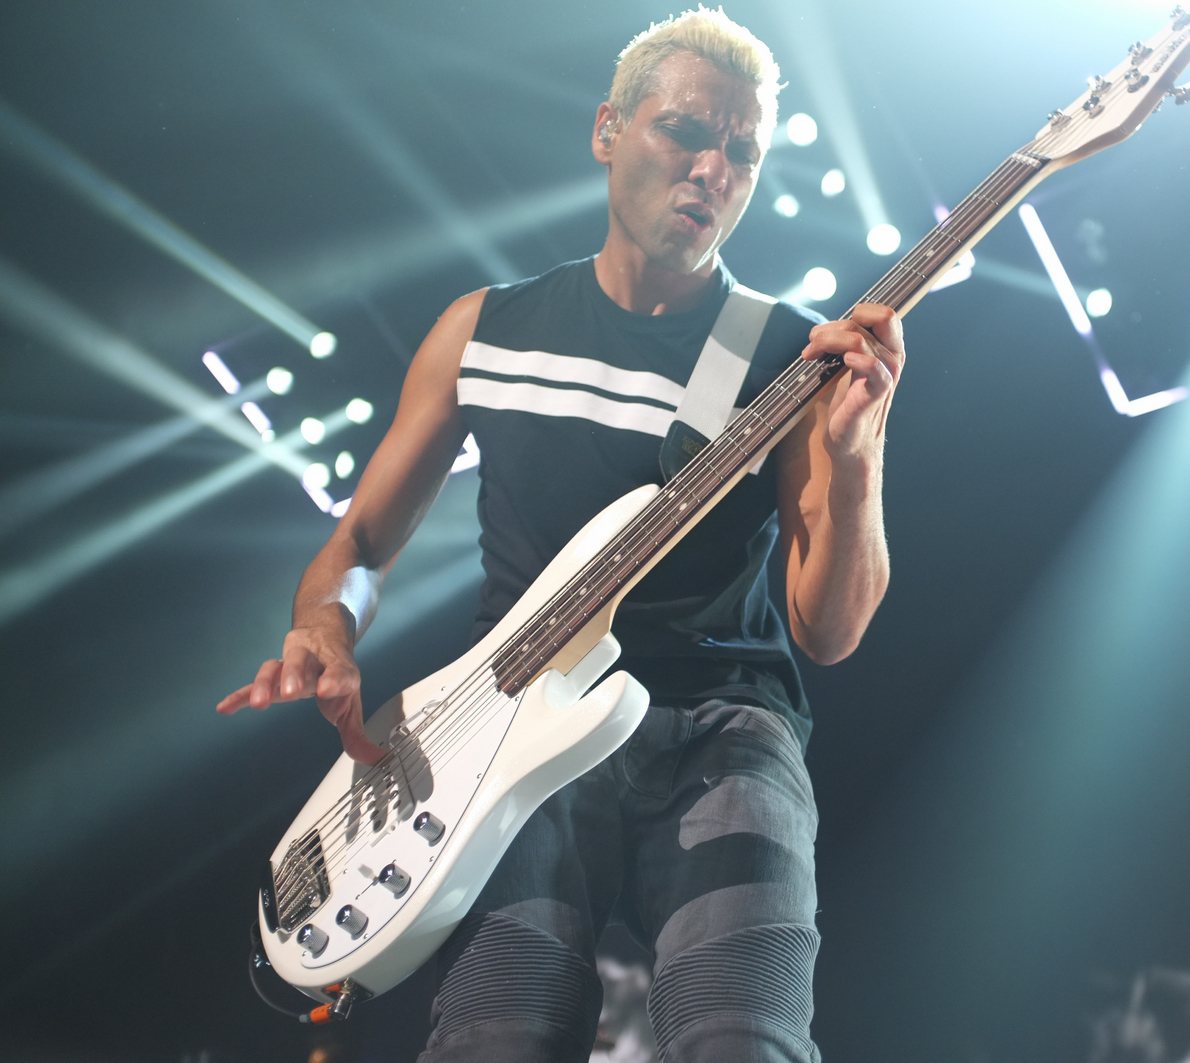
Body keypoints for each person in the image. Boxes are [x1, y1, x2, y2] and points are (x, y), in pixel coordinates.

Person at [217, 9, 905, 1061]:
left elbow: (831, 630)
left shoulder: (790, 354)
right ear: (607, 130)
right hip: (508, 734)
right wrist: (325, 625)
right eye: (686, 132)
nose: (713, 169)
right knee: (495, 1037)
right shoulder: (483, 330)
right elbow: (359, 542)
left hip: (723, 727)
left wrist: (854, 457)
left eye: (742, 152)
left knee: (744, 1039)